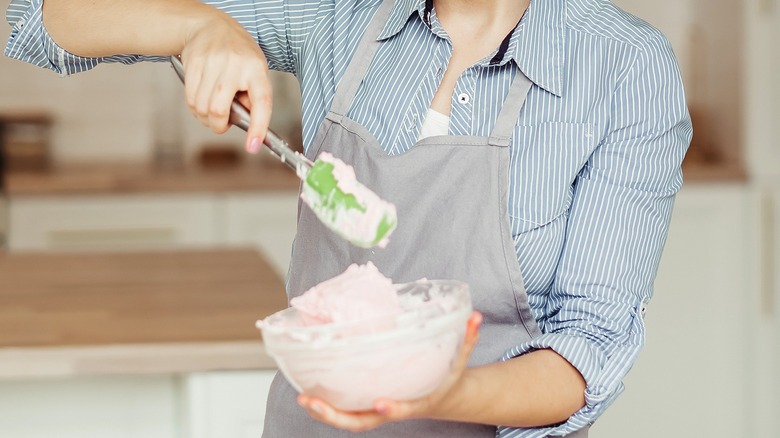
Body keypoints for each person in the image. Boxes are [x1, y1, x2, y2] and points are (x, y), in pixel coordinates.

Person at [4, 0, 692, 436]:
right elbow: (34, 18)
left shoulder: (625, 67)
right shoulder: (338, 12)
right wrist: (197, 24)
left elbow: (588, 349)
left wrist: (442, 391)